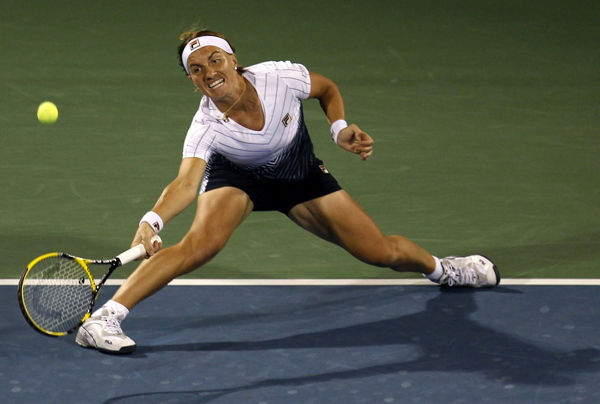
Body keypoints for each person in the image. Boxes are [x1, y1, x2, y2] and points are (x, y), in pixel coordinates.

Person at [76, 30, 500, 354]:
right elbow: (187, 181)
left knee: (380, 252)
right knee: (198, 247)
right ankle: (104, 319)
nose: (209, 73)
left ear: (234, 60)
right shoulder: (206, 126)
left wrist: (339, 130)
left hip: (299, 172)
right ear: (192, 81)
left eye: (215, 60)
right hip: (238, 178)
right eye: (197, 70)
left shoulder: (281, 77)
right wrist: (151, 221)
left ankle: (444, 269)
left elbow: (327, 88)